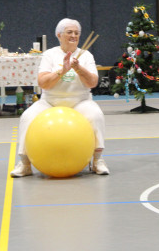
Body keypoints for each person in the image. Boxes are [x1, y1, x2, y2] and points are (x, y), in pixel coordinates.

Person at [10, 18, 109, 177]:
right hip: (50, 101)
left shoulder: (86, 55)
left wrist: (78, 68)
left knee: (96, 115)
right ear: (59, 35)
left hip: (80, 101)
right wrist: (62, 70)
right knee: (27, 117)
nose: (74, 36)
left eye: (76, 33)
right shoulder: (49, 55)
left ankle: (97, 161)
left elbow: (92, 83)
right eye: (69, 32)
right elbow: (43, 83)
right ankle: (25, 163)